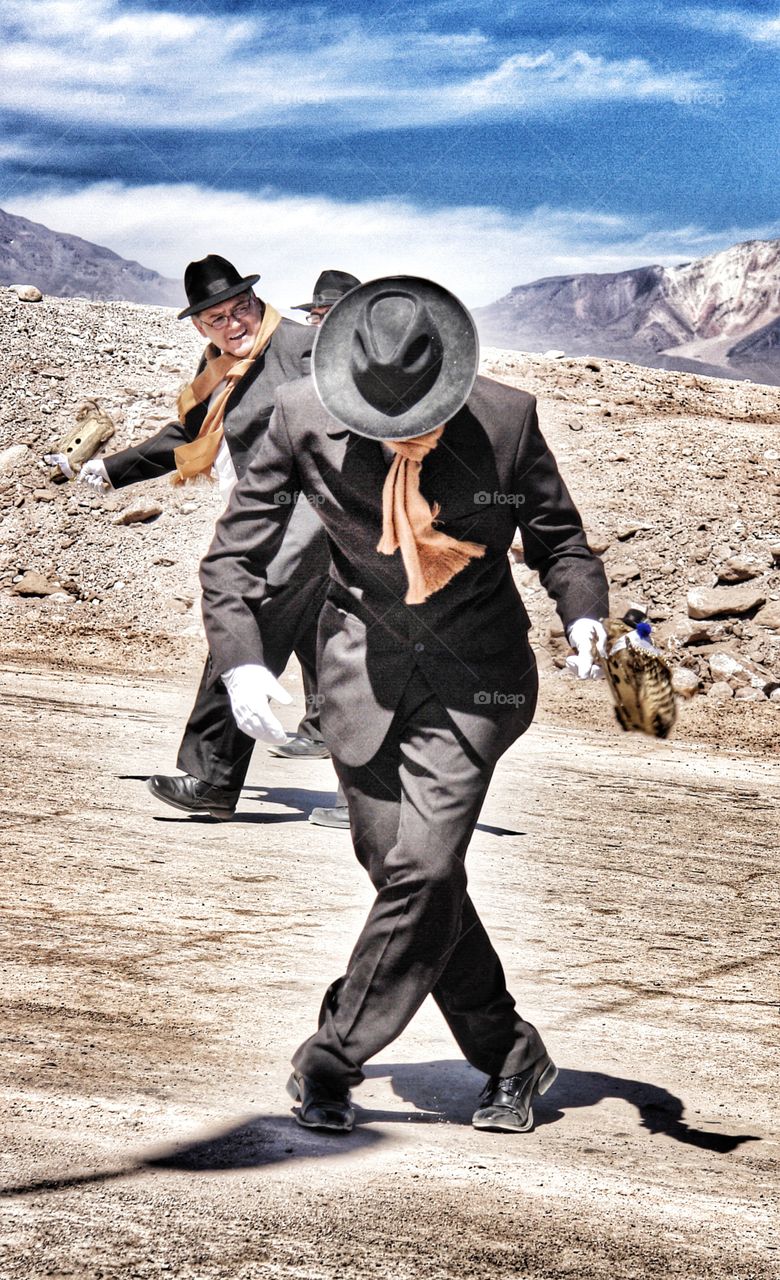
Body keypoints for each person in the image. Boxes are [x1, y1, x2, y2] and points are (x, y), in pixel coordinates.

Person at [199, 276, 609, 1133]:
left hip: (475, 683)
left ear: (451, 385)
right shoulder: (302, 417)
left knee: (421, 872)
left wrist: (584, 618)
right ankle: (509, 1053)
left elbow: (560, 541)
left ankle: (333, 1055)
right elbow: (233, 559)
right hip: (360, 677)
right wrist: (241, 665)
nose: (403, 439)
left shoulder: (506, 420)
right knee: (411, 881)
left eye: (419, 420)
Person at [78, 254, 345, 825]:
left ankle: (213, 780)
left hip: (307, 527)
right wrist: (114, 469)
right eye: (217, 317)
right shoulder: (220, 368)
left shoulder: (305, 348)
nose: (233, 325)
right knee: (342, 656)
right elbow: (189, 431)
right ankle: (371, 794)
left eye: (241, 309)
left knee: (242, 632)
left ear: (257, 303)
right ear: (200, 325)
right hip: (270, 522)